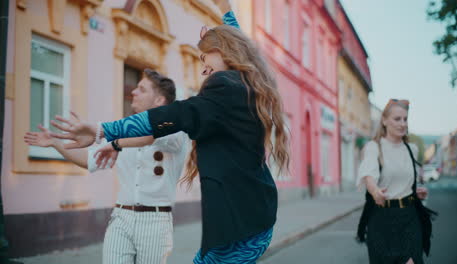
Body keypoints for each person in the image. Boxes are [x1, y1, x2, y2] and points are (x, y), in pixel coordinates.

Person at [48, 7, 290, 264]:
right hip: (251, 218)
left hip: (241, 227)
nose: (204, 68)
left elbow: (175, 115)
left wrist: (104, 130)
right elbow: (238, 42)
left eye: (204, 57)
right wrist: (227, 10)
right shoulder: (243, 84)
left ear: (223, 51)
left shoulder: (226, 87)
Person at [25, 69, 186, 264]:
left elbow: (151, 135)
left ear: (159, 100)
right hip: (121, 217)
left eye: (142, 89)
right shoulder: (121, 131)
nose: (133, 92)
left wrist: (105, 135)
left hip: (155, 222)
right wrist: (55, 143)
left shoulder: (176, 129)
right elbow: (89, 159)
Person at [356, 99, 436, 264]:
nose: (402, 124)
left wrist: (415, 192)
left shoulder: (410, 149)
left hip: (409, 217)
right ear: (384, 120)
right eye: (397, 119)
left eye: (405, 119)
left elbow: (406, 180)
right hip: (382, 219)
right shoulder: (374, 147)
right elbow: (368, 175)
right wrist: (375, 191)